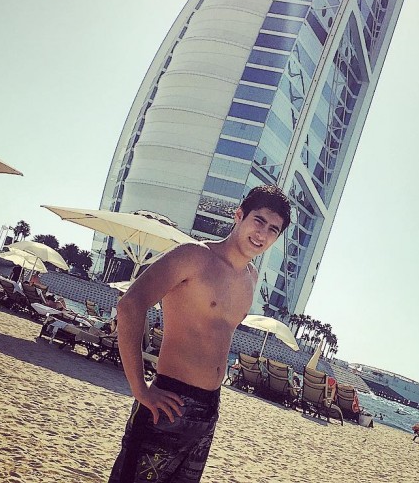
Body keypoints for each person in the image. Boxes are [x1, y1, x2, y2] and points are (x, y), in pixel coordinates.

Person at [108, 184, 292, 483]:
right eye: (258, 221)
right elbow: (130, 304)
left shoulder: (250, 278)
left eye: (273, 229)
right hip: (169, 399)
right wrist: (140, 388)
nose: (262, 234)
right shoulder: (194, 256)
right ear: (239, 215)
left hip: (208, 409)